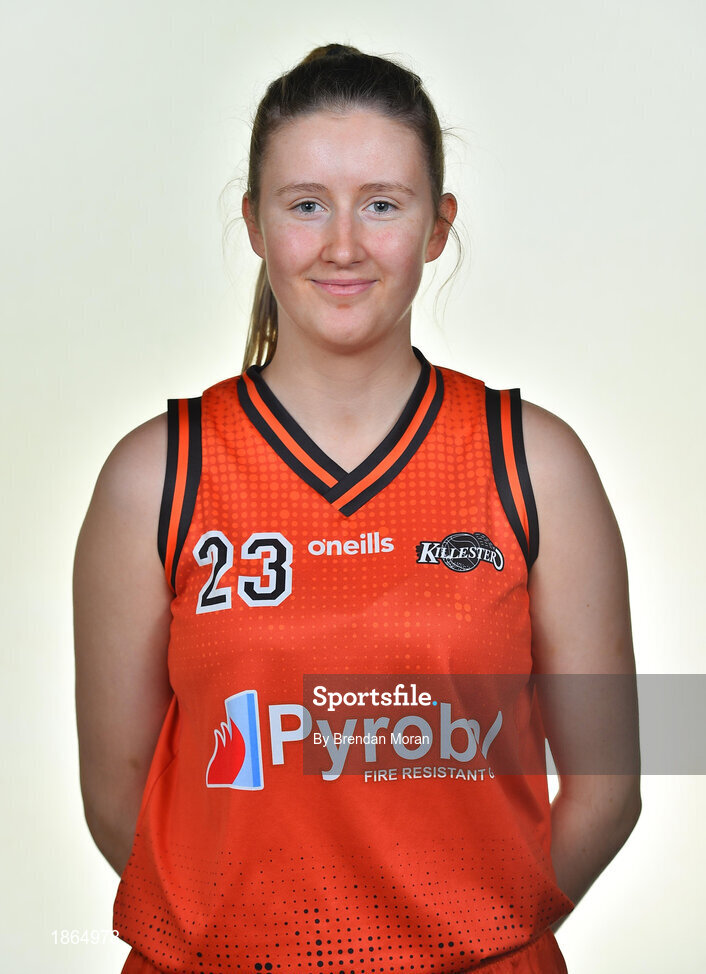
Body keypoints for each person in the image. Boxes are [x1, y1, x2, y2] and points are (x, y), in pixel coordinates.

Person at [73, 43, 641, 974]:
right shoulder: (156, 475)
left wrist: (478, 934)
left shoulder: (536, 463)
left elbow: (612, 783)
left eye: (382, 203)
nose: (343, 244)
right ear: (255, 224)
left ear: (437, 227)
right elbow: (116, 793)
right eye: (306, 205)